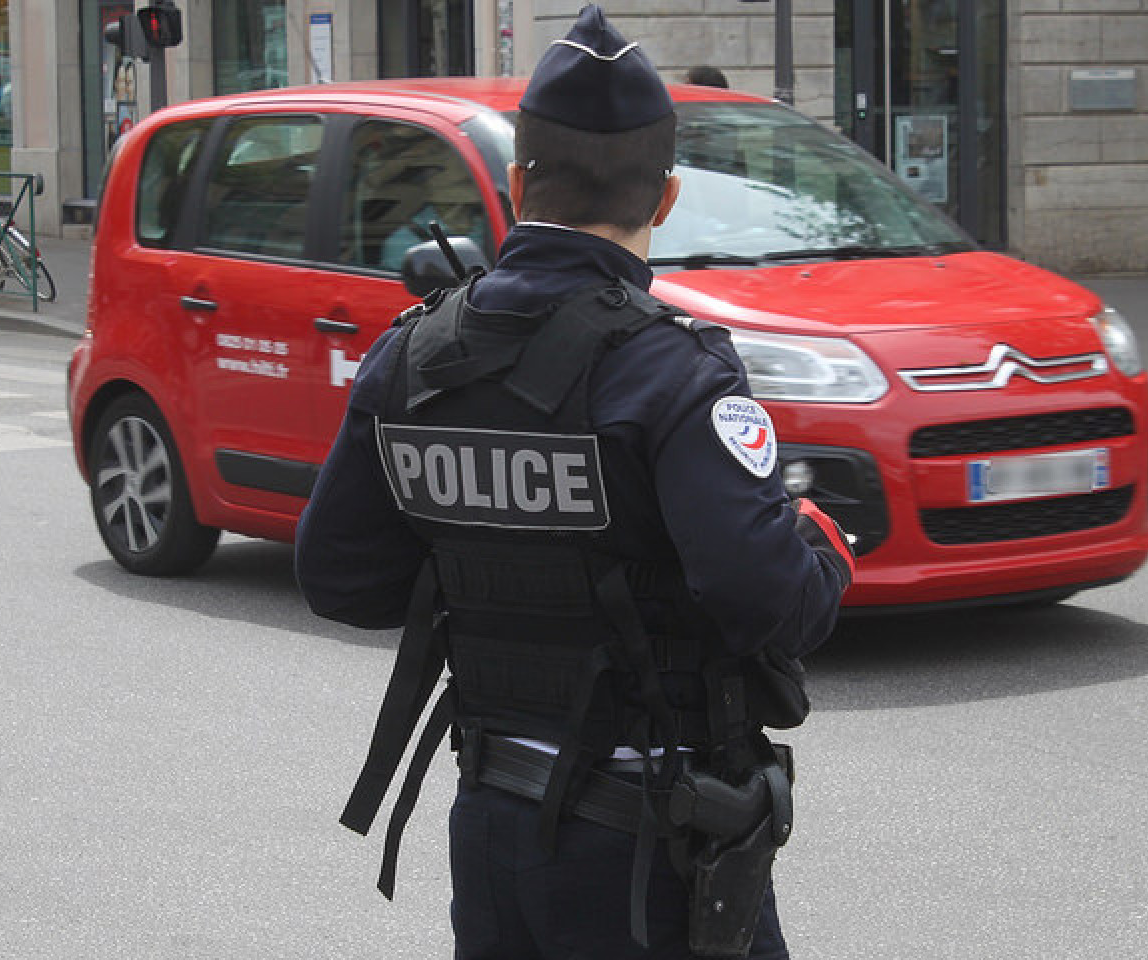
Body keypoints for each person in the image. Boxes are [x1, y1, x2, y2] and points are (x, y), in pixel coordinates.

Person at [295, 5, 853, 958]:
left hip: (492, 825)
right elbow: (768, 603)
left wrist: (484, 555)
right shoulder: (676, 371)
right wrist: (816, 551)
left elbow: (341, 579)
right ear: (666, 198)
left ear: (517, 184)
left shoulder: (415, 353)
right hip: (648, 849)